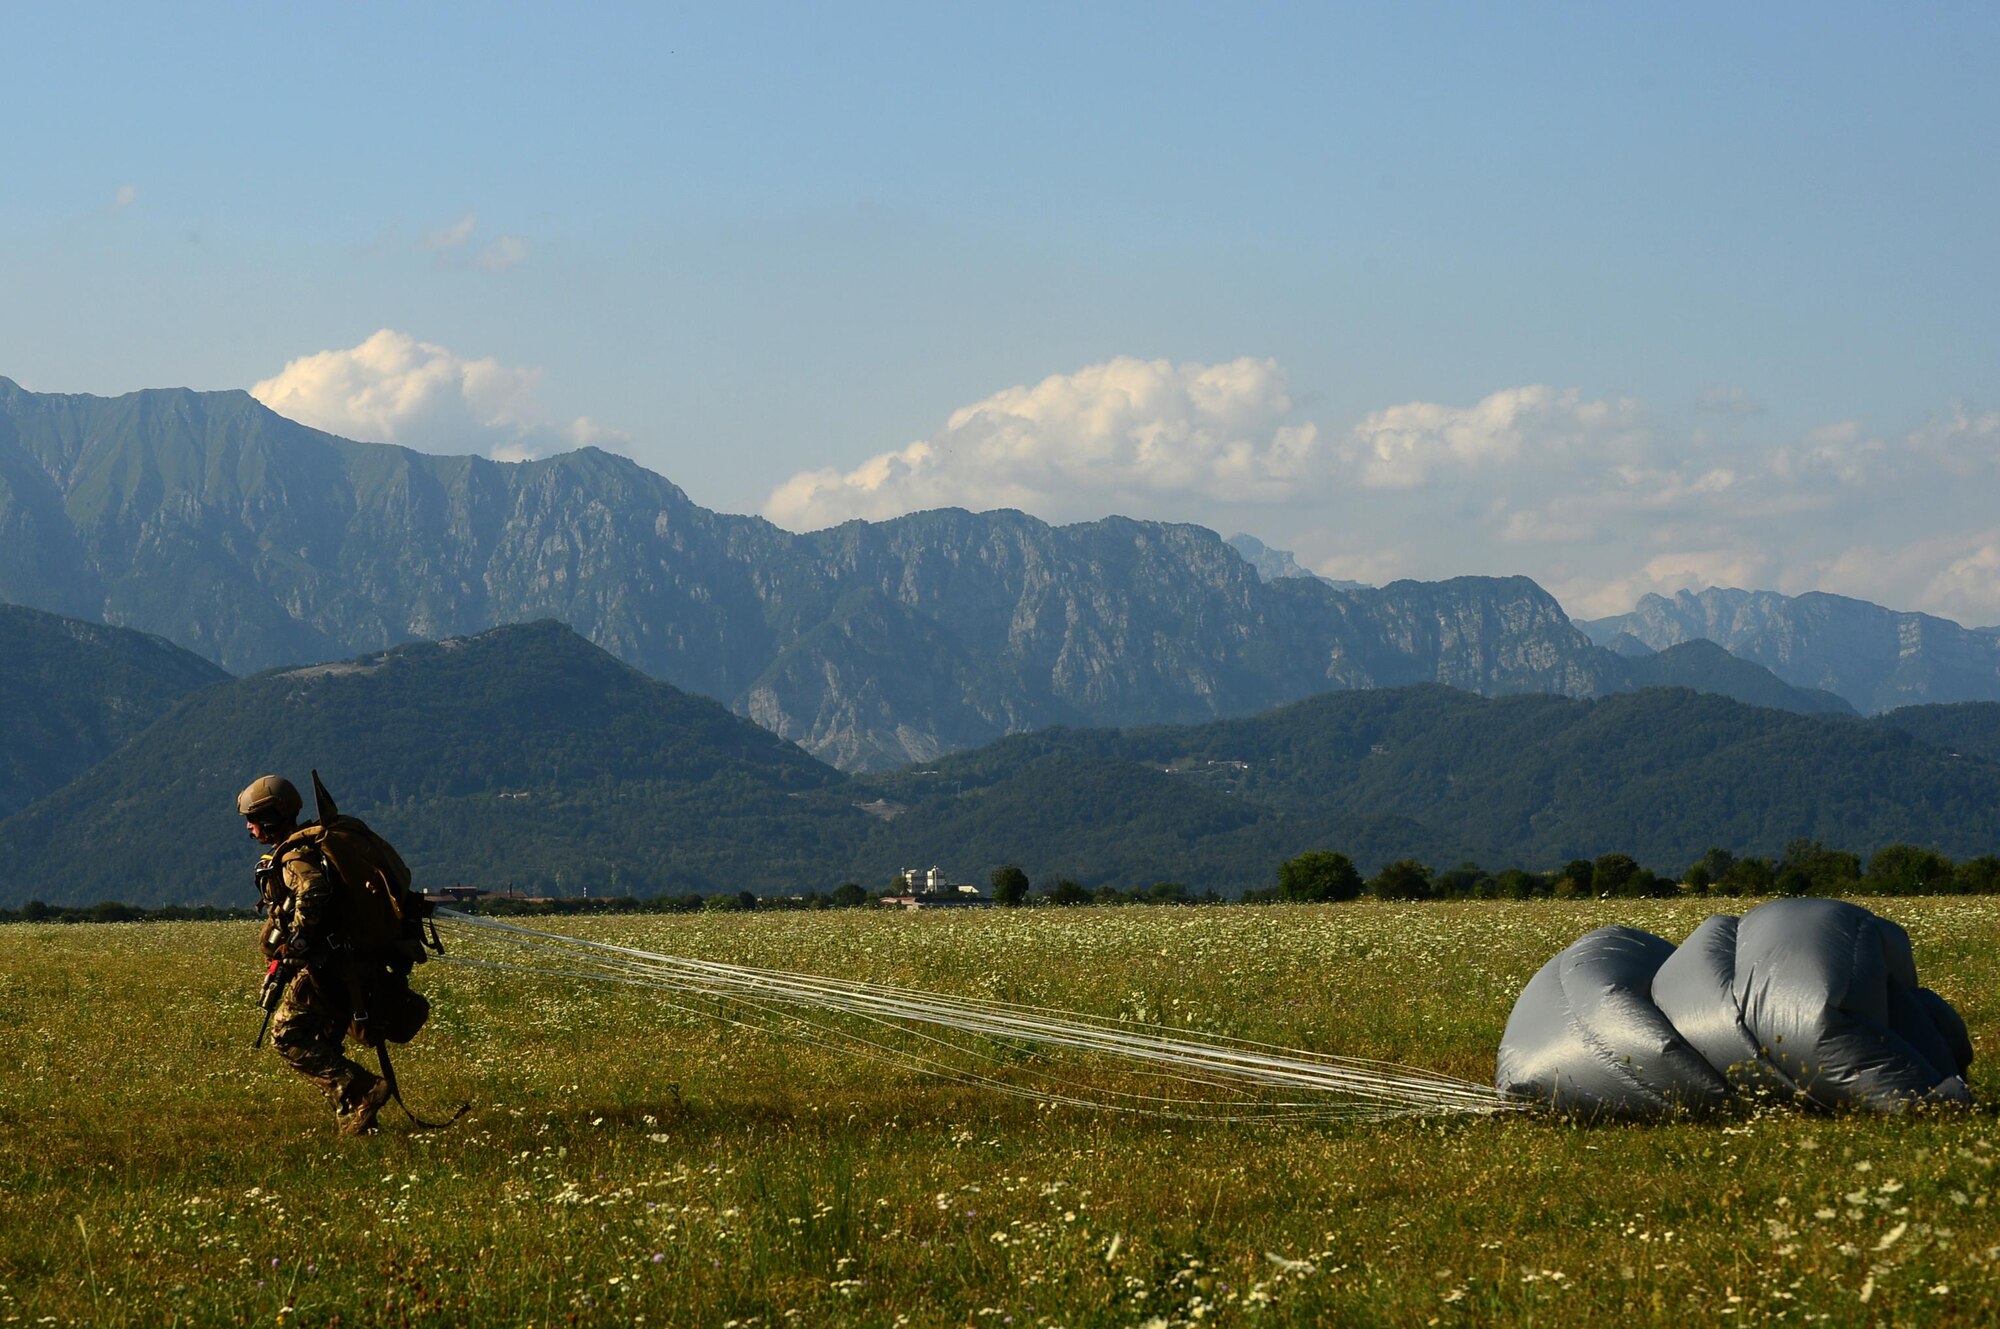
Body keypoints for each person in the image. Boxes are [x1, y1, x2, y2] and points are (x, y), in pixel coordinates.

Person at [238, 774, 393, 1136]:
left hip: (328, 967)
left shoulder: (294, 855)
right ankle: (358, 1123)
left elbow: (313, 891)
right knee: (324, 1043)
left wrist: (299, 942)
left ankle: (362, 1090)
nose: (249, 827)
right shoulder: (309, 846)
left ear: (272, 817)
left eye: (254, 820)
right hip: (347, 966)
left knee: (287, 1035)